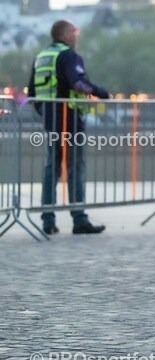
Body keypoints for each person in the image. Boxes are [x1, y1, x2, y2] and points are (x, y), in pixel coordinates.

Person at [28, 20, 110, 236]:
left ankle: (48, 219)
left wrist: (46, 113)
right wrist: (102, 93)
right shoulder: (68, 56)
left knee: (51, 169)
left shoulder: (42, 56)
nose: (77, 36)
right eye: (75, 32)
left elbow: (32, 93)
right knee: (75, 168)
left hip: (51, 120)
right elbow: (79, 83)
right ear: (65, 35)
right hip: (70, 120)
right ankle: (79, 219)